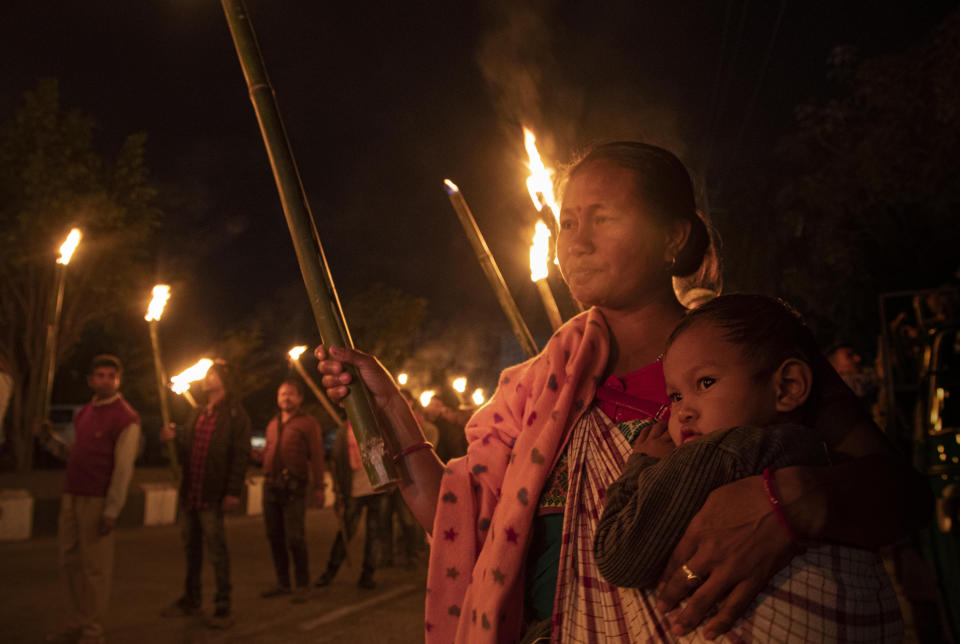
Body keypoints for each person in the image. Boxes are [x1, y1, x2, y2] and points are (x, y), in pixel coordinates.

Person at [313, 142, 929, 643]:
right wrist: (391, 410)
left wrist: (795, 497)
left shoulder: (747, 353)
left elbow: (901, 496)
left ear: (672, 238)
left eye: (601, 219)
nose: (574, 240)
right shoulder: (539, 386)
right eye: (567, 221)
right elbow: (459, 524)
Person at [594, 294, 902, 640]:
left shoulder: (713, 453)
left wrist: (641, 464)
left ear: (788, 386)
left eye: (706, 383)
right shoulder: (811, 447)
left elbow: (619, 558)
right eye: (675, 396)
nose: (680, 413)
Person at [40, 354, 141, 644]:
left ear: (119, 380)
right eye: (100, 375)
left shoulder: (126, 418)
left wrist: (112, 509)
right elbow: (73, 454)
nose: (106, 380)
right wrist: (48, 439)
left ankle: (93, 630)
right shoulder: (83, 413)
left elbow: (123, 469)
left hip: (97, 501)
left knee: (95, 569)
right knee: (68, 563)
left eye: (112, 376)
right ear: (91, 380)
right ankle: (73, 621)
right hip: (72, 495)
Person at [159, 361, 250, 629]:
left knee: (216, 551)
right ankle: (191, 598)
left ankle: (223, 605)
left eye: (211, 374)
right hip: (191, 493)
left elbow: (240, 457)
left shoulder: (236, 416)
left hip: (213, 495)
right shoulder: (198, 412)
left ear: (224, 380)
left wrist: (233, 492)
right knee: (191, 550)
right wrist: (171, 439)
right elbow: (187, 448)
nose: (206, 378)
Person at [255, 379, 326, 602]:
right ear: (277, 398)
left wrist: (319, 487)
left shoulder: (308, 423)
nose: (286, 397)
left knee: (295, 537)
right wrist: (259, 456)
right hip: (271, 487)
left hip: (294, 487)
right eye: (282, 394)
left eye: (291, 394)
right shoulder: (272, 424)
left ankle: (303, 585)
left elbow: (316, 456)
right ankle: (283, 583)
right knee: (274, 536)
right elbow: (268, 450)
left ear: (299, 398)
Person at [314, 422, 388, 589]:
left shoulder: (378, 426)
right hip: (354, 488)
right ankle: (330, 571)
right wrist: (338, 488)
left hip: (379, 487)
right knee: (346, 531)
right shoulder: (343, 431)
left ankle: (368, 575)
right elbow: (337, 461)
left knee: (374, 534)